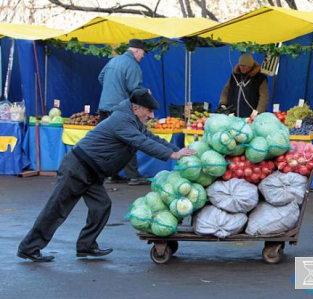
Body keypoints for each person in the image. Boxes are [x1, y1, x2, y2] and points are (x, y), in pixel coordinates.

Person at [17, 88, 196, 262]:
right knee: (56, 210)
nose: (151, 116)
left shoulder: (132, 120)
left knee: (101, 206)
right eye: (149, 111)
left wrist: (178, 150)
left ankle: (86, 245)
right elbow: (142, 142)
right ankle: (29, 248)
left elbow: (152, 138)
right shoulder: (122, 120)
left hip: (91, 171)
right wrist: (172, 155)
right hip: (77, 168)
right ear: (136, 108)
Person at [98, 38, 148, 186]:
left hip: (104, 106)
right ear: (137, 51)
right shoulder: (132, 65)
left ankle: (109, 175)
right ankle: (133, 176)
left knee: (109, 142)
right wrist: (146, 93)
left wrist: (112, 88)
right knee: (129, 140)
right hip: (120, 108)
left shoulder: (113, 61)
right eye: (142, 55)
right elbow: (135, 89)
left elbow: (101, 77)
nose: (142, 58)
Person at [218, 53, 269, 117]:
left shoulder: (260, 78)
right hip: (233, 115)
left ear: (251, 66)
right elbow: (225, 91)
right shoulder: (234, 76)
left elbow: (264, 97)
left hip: (250, 115)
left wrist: (258, 112)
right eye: (240, 65)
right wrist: (223, 104)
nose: (242, 68)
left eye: (245, 66)